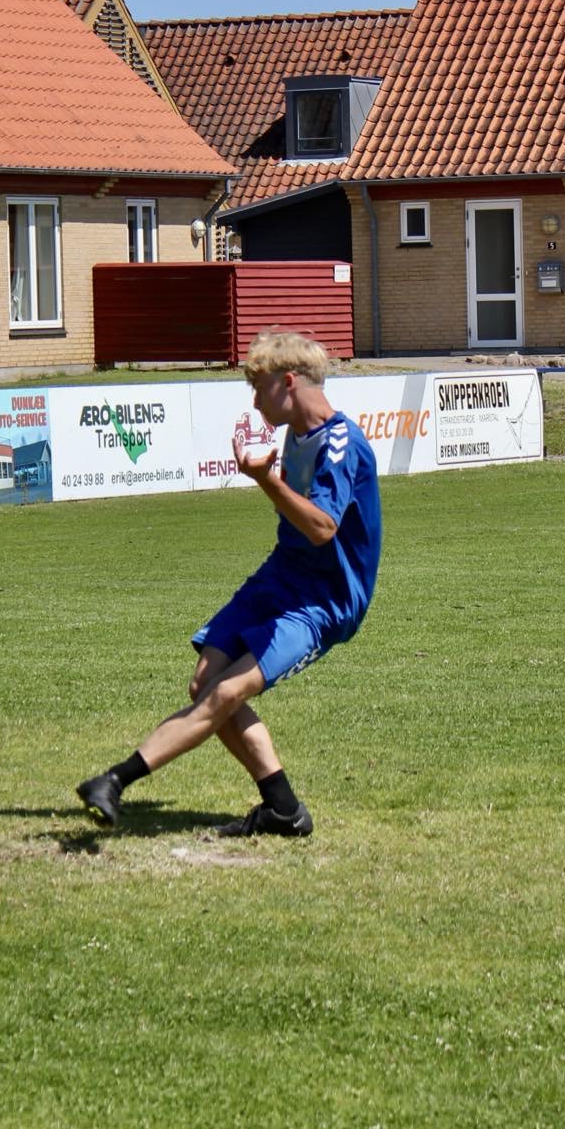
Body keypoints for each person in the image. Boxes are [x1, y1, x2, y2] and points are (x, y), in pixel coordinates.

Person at [77, 329, 382, 837]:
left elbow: (323, 528)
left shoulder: (341, 444)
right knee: (205, 683)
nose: (255, 401)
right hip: (281, 577)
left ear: (289, 382)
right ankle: (283, 809)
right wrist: (270, 481)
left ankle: (114, 780)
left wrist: (266, 480)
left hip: (323, 603)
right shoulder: (297, 434)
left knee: (227, 692)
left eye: (259, 388)